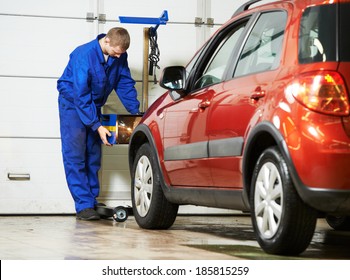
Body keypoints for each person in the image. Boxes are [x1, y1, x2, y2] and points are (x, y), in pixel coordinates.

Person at [57, 27, 140, 220]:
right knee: (76, 155)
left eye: (122, 54)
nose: (119, 57)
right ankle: (83, 205)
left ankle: (91, 200)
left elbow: (124, 83)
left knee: (93, 155)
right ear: (107, 41)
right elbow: (81, 94)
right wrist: (96, 124)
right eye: (116, 52)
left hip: (92, 106)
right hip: (73, 105)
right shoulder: (83, 55)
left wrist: (136, 112)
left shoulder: (119, 55)